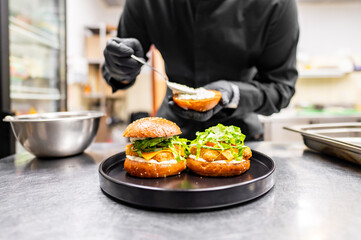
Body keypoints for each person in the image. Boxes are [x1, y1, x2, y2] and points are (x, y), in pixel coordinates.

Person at [102, 0, 299, 140]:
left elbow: (281, 88)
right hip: (169, 135)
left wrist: (234, 93)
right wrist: (121, 69)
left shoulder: (275, 4)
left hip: (240, 137)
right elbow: (118, 69)